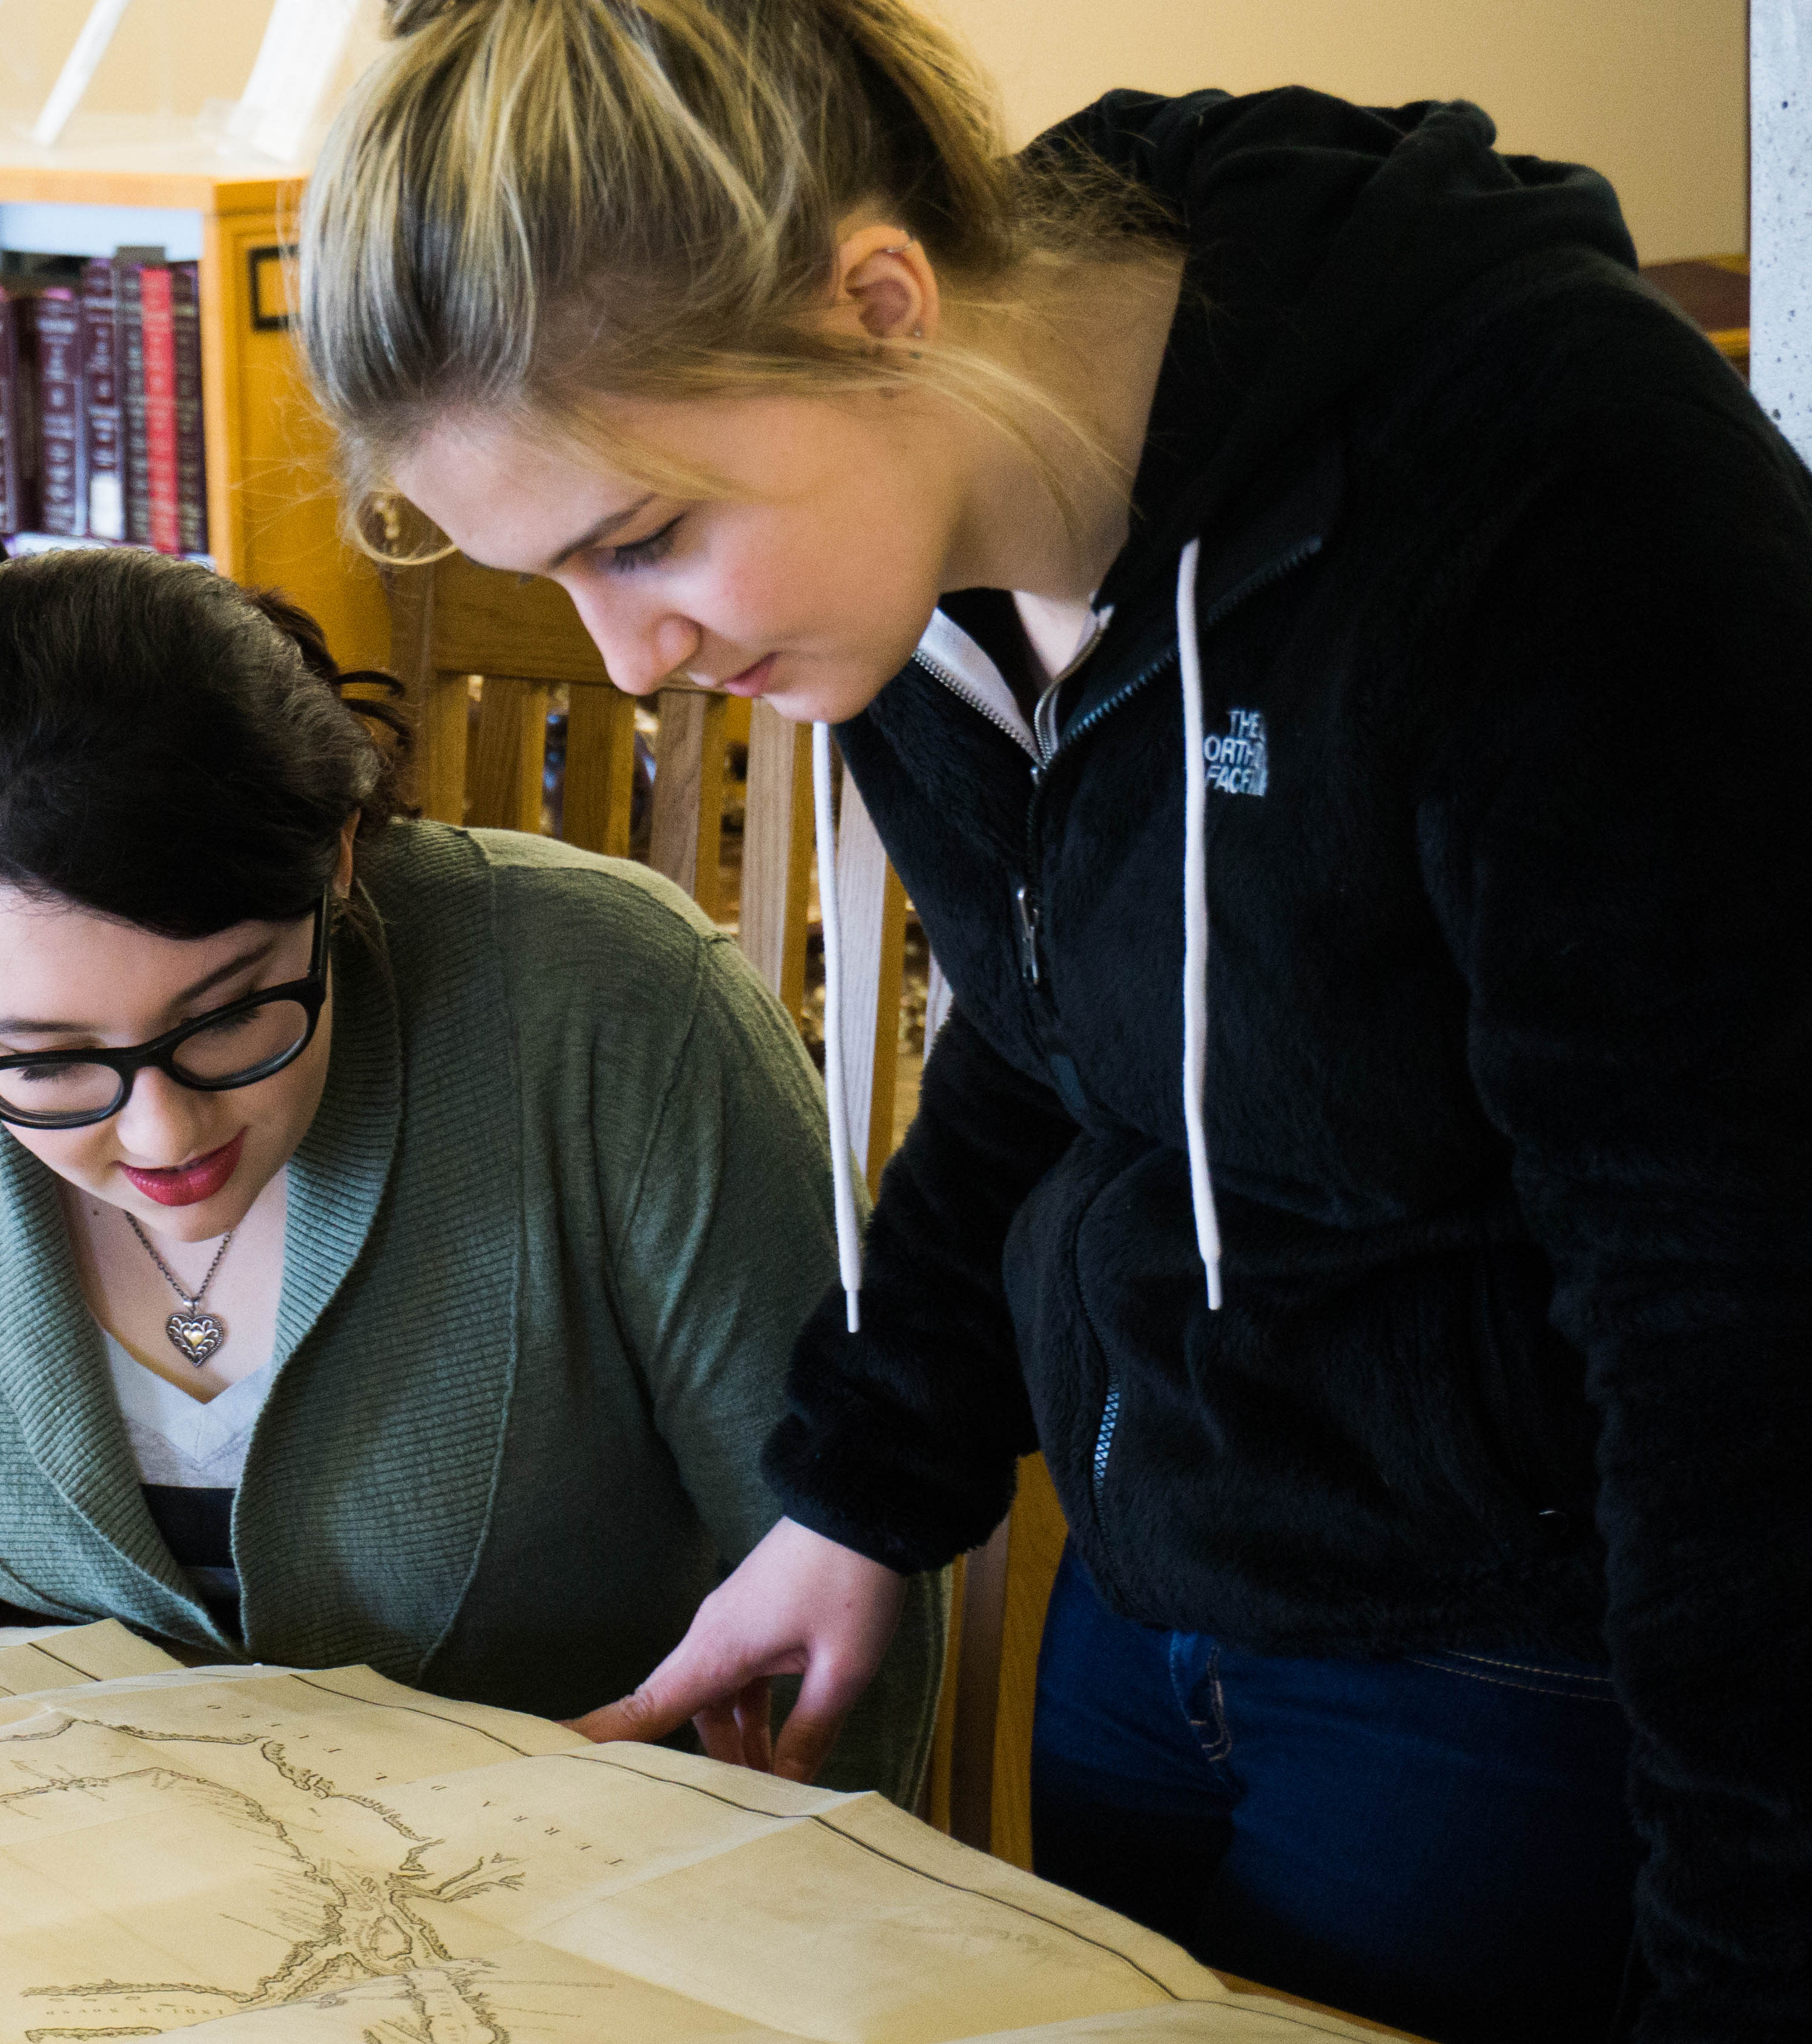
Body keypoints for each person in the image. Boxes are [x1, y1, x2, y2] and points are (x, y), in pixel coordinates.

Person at [297, 2, 1812, 2037]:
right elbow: (1052, 1044)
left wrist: (1752, 1964)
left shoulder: (1546, 473)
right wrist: (859, 1497)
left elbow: (1734, 1290)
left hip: (1501, 1645)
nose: (635, 655)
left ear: (880, 301)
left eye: (641, 537)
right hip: (1150, 1586)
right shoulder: (912, 558)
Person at [0, 548, 943, 1795]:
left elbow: (835, 1569)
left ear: (339, 855)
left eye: (231, 1013)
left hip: (605, 1897)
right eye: (50, 1061)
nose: (165, 1135)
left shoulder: (620, 1016)